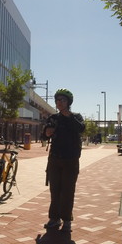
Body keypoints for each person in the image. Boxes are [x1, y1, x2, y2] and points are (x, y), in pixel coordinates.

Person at [43, 88, 84, 232]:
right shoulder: (53, 118)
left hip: (71, 160)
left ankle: (67, 219)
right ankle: (54, 218)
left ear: (68, 102)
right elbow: (45, 135)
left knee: (67, 191)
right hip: (54, 159)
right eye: (57, 100)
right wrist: (47, 133)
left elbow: (81, 129)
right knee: (55, 190)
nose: (59, 102)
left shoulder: (76, 116)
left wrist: (68, 115)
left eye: (62, 100)